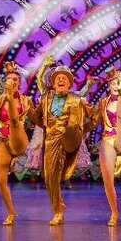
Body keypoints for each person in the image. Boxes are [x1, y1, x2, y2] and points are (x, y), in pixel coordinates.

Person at [33, 65, 95, 225]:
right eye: (57, 78)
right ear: (53, 83)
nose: (61, 79)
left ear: (69, 84)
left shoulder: (77, 100)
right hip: (51, 140)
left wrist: (83, 129)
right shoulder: (44, 99)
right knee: (49, 177)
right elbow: (39, 119)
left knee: (70, 127)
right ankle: (58, 208)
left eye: (65, 78)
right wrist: (27, 115)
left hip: (70, 137)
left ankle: (58, 212)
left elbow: (94, 116)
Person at [0, 62, 35, 225]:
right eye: (9, 80)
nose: (12, 82)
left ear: (19, 83)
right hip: (3, 140)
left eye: (15, 80)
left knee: (15, 122)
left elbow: (37, 119)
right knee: (1, 180)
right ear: (5, 82)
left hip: (19, 138)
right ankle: (11, 213)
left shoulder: (26, 101)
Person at [94, 68, 121, 226]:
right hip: (108, 139)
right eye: (113, 83)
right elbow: (94, 119)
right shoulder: (103, 102)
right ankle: (114, 211)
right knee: (108, 180)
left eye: (119, 83)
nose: (116, 86)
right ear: (109, 85)